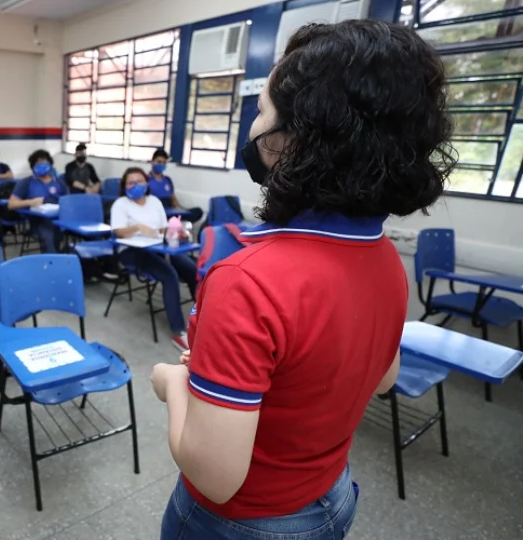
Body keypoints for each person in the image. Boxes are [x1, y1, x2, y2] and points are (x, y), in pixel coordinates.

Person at [150, 20, 451, 539]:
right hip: (330, 499)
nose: (254, 124)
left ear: (294, 140)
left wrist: (175, 383)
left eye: (263, 110)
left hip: (243, 523)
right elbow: (380, 378)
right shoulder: (382, 257)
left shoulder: (248, 279)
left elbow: (216, 476)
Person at [110, 168, 196, 351]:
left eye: (139, 181)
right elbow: (118, 232)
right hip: (133, 251)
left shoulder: (154, 201)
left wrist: (176, 232)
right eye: (130, 183)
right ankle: (180, 332)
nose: (135, 186)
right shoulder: (120, 204)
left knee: (192, 269)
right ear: (124, 186)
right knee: (170, 275)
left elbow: (164, 229)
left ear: (146, 183)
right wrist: (138, 227)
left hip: (158, 247)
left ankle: (203, 320)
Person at [8, 149, 68, 253]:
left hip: (60, 220)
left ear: (50, 164)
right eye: (38, 163)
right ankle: (53, 264)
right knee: (49, 235)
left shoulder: (59, 182)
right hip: (39, 222)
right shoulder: (26, 182)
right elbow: (11, 204)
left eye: (44, 162)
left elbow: (69, 201)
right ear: (33, 167)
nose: (42, 165)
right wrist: (31, 202)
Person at [147, 149, 203, 224]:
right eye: (159, 162)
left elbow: (173, 199)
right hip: (157, 211)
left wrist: (178, 211)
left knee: (198, 211)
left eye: (164, 163)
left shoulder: (167, 180)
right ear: (152, 161)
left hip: (171, 211)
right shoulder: (146, 179)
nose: (161, 165)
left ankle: (176, 222)